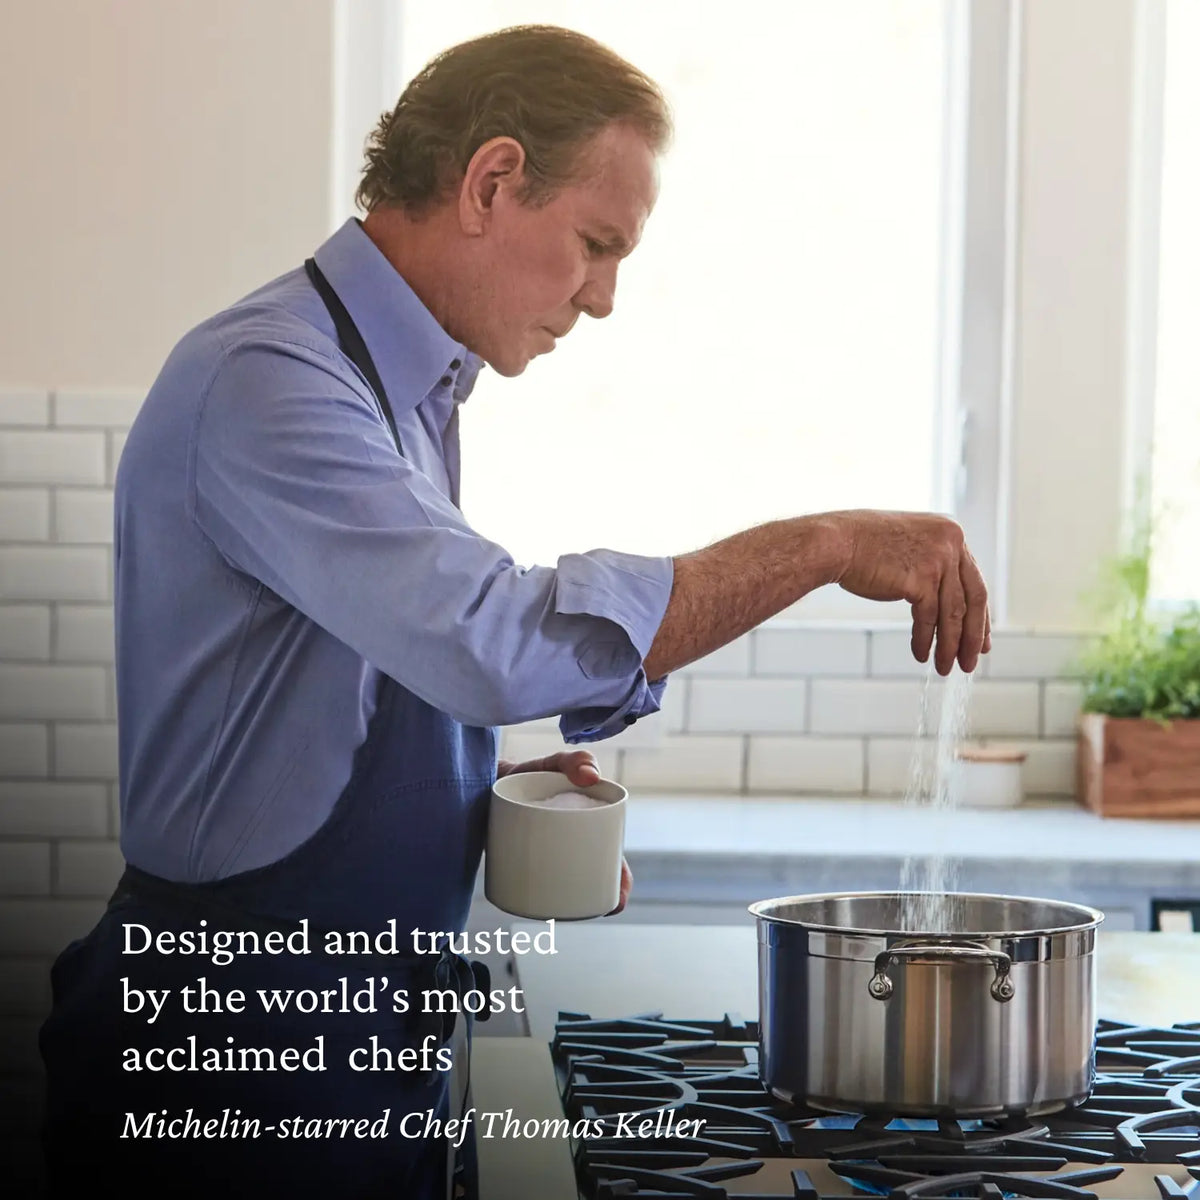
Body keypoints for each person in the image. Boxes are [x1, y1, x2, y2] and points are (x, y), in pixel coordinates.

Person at [38, 23, 989, 1200]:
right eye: (596, 246)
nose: (602, 300)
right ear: (491, 181)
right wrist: (827, 545)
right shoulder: (271, 381)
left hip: (347, 1052)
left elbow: (331, 700)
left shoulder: (400, 391)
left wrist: (487, 798)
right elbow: (489, 642)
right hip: (233, 1065)